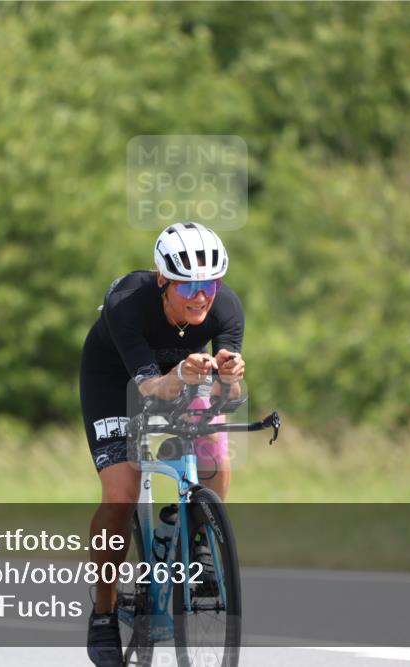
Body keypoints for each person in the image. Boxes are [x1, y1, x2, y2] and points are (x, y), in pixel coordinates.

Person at [79, 222, 246, 667]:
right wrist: (182, 375)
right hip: (116, 381)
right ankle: (103, 612)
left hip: (181, 374)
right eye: (187, 285)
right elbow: (150, 389)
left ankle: (200, 540)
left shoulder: (226, 306)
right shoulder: (126, 303)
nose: (200, 296)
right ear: (162, 281)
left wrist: (230, 378)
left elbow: (228, 397)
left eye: (209, 284)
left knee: (214, 447)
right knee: (121, 494)